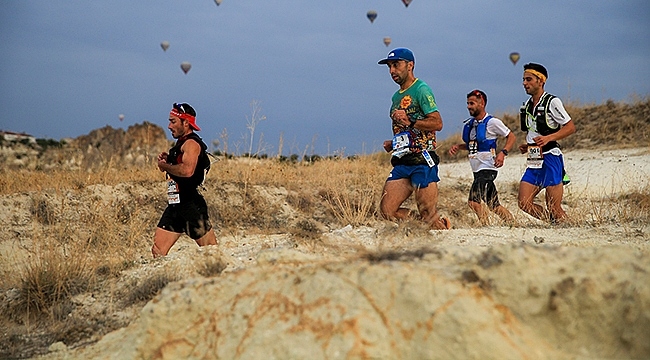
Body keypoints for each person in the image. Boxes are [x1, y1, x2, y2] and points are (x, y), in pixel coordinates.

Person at [377, 48, 450, 230]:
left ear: (410, 65)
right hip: (402, 161)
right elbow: (405, 130)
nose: (392, 71)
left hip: (422, 161)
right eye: (389, 67)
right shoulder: (396, 96)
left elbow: (437, 123)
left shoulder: (421, 90)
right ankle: (431, 224)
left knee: (427, 215)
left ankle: (437, 225)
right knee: (387, 211)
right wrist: (393, 143)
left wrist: (410, 121)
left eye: (396, 65)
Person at [152, 102, 217, 257]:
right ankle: (165, 280)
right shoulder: (181, 143)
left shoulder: (192, 144)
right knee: (158, 250)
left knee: (212, 253)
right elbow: (182, 165)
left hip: (191, 206)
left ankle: (221, 278)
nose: (168, 126)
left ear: (186, 123)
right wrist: (170, 161)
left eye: (173, 121)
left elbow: (187, 171)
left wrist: (165, 167)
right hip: (175, 205)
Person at [517, 63, 576, 223]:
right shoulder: (527, 105)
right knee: (523, 202)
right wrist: (528, 146)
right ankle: (554, 224)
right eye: (523, 79)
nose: (524, 83)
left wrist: (549, 138)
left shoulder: (552, 102)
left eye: (528, 79)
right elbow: (534, 131)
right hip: (534, 158)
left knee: (554, 207)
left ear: (541, 81)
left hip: (551, 157)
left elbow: (570, 127)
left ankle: (568, 227)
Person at [448, 89, 515, 225]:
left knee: (473, 201)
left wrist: (503, 153)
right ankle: (513, 223)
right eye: (467, 103)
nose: (469, 107)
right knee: (493, 205)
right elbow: (475, 145)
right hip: (477, 169)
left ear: (482, 103)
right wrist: (459, 147)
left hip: (487, 168)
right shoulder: (471, 125)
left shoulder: (493, 122)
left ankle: (485, 225)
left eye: (472, 103)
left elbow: (511, 137)